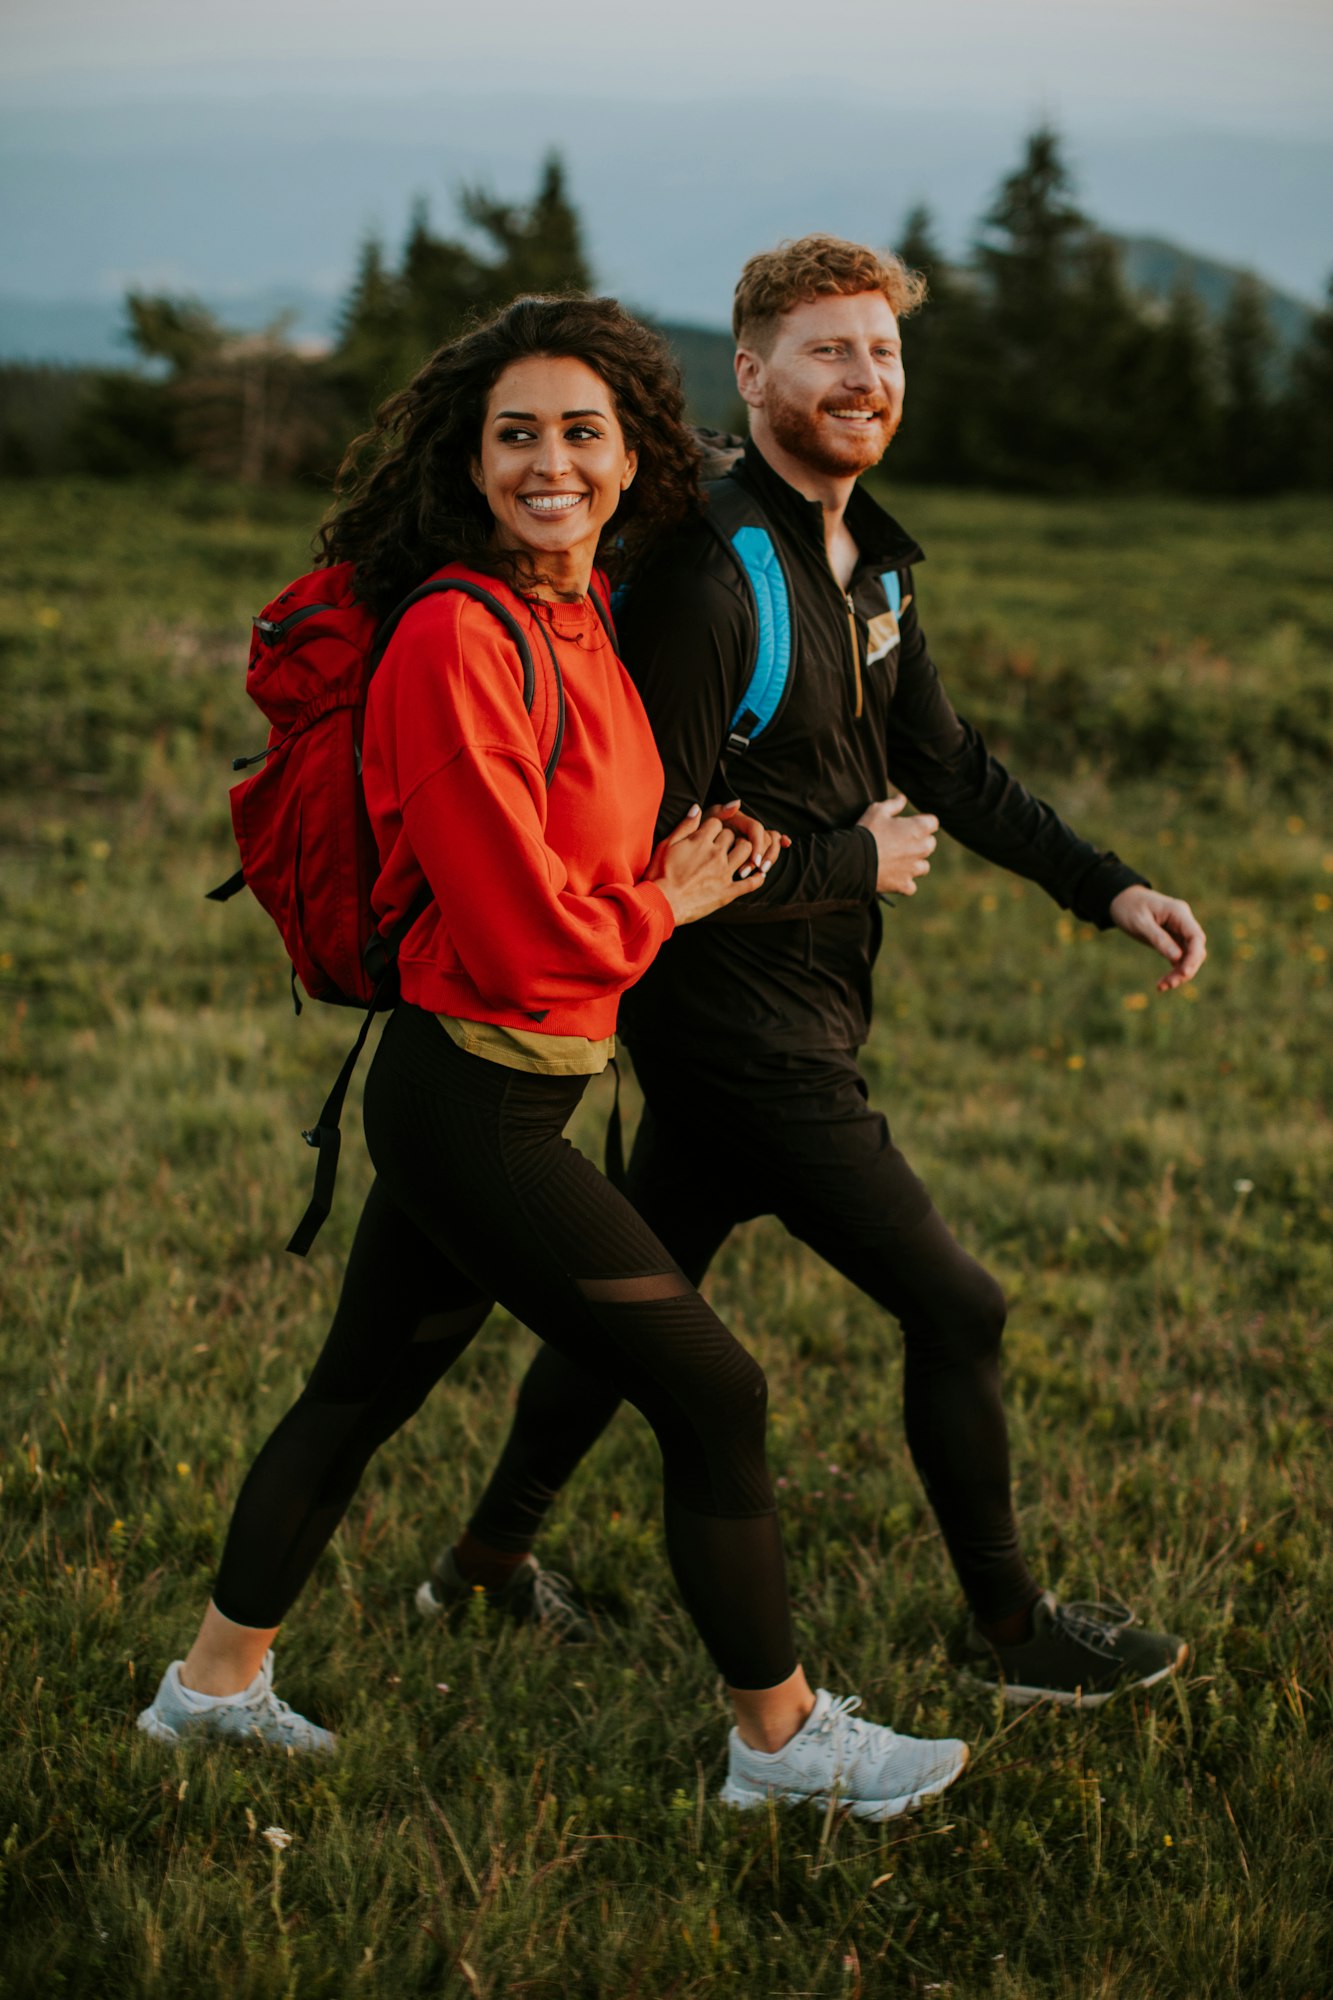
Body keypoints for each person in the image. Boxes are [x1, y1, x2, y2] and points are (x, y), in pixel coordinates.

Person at [137, 293, 972, 1820]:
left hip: (525, 1086)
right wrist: (669, 896)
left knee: (357, 1389)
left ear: (633, 453)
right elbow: (529, 936)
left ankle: (209, 1689)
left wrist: (699, 865)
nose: (550, 465)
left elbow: (605, 850)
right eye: (513, 435)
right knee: (715, 1393)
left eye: (581, 434)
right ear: (466, 461)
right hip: (478, 1101)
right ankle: (780, 1744)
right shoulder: (456, 641)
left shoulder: (579, 614)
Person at [422, 241, 1207, 1708]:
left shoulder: (868, 560)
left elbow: (945, 767)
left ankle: (479, 1564)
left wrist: (1108, 886)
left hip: (801, 1007)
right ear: (751, 373)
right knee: (956, 1308)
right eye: (828, 352)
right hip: (736, 1025)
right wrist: (849, 862)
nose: (863, 380)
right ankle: (1016, 1633)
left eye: (883, 355)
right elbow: (642, 836)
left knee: (636, 1290)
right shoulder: (711, 579)